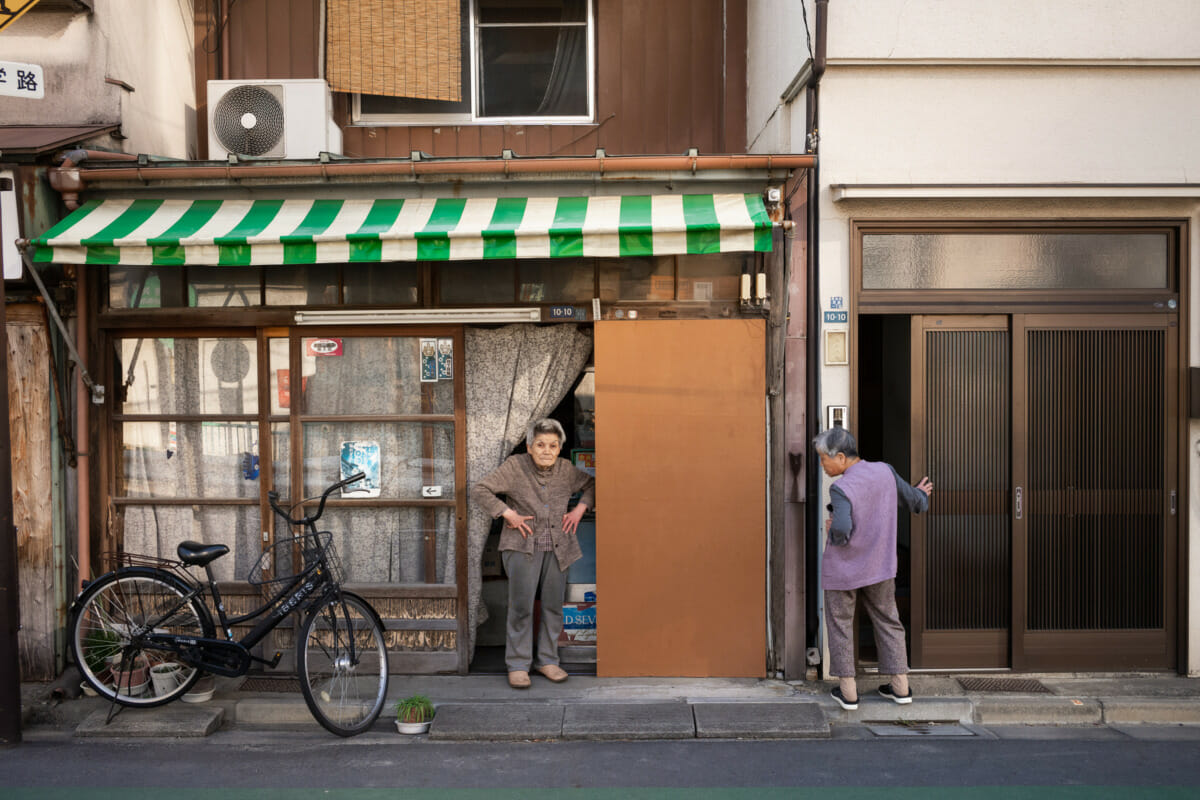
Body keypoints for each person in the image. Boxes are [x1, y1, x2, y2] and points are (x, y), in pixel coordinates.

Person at [814, 427, 933, 711]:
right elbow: (917, 502)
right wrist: (920, 494)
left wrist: (834, 534)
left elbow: (842, 528)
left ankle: (849, 692)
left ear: (840, 458)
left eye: (823, 459)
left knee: (840, 625)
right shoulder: (885, 472)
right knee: (888, 621)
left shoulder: (841, 488)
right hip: (880, 567)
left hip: (843, 570)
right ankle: (901, 688)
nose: (822, 465)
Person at [471, 418, 595, 689]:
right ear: (529, 447)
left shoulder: (566, 469)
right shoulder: (515, 466)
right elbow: (480, 489)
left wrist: (579, 510)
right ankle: (517, 664)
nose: (547, 450)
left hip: (559, 548)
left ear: (560, 448)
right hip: (521, 547)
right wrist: (507, 513)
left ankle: (548, 660)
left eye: (553, 445)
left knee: (553, 606)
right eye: (540, 445)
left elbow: (591, 485)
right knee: (521, 608)